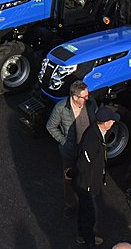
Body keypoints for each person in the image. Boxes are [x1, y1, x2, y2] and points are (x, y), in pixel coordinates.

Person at [47, 81, 97, 217]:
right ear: (75, 97)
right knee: (68, 180)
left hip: (86, 150)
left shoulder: (90, 103)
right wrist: (64, 141)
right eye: (84, 97)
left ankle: (86, 203)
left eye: (88, 95)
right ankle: (71, 204)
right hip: (70, 153)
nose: (88, 98)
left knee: (86, 177)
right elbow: (50, 126)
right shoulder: (61, 108)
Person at [73, 106, 120, 247]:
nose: (113, 122)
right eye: (111, 120)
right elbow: (83, 164)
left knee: (84, 211)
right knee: (89, 215)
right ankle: (89, 242)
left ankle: (82, 235)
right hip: (87, 185)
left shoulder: (99, 131)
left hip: (89, 183)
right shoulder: (92, 139)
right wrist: (89, 184)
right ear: (104, 122)